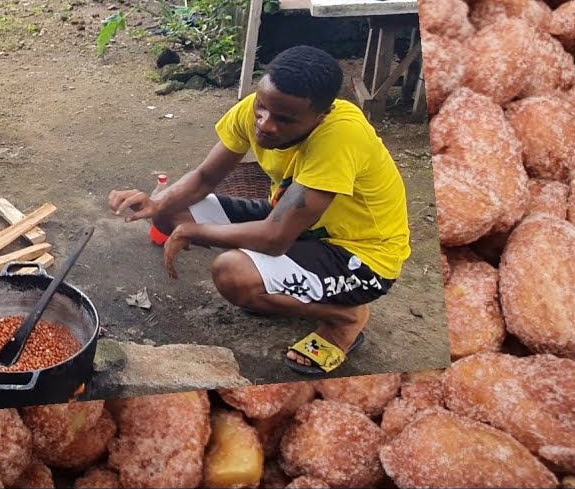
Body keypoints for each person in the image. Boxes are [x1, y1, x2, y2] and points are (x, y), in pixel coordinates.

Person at [107, 45, 410, 376]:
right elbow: (206, 177)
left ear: (319, 116)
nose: (265, 124)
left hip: (359, 256)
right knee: (170, 214)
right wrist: (157, 204)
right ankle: (279, 285)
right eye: (262, 108)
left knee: (232, 274)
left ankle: (346, 318)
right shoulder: (258, 108)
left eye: (284, 119)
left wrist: (199, 232)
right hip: (291, 222)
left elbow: (275, 238)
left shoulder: (341, 136)